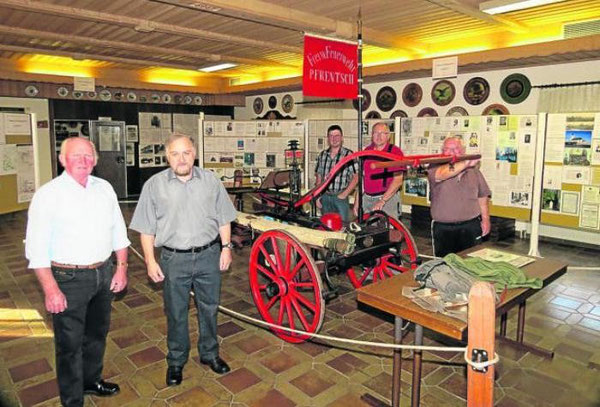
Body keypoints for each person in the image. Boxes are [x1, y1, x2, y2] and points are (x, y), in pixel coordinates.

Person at [25, 137, 130, 407]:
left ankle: (91, 381)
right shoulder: (48, 195)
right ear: (62, 160)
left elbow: (118, 231)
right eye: (75, 156)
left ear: (95, 160)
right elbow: (36, 249)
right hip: (67, 279)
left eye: (88, 156)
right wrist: (50, 289)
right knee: (69, 344)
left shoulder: (104, 188)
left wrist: (121, 269)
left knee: (96, 335)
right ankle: (72, 400)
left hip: (103, 274)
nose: (83, 161)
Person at [130, 133, 236, 386]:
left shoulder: (210, 181)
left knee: (209, 308)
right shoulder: (154, 185)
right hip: (173, 260)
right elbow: (146, 229)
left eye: (186, 152)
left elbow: (224, 217)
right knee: (176, 312)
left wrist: (226, 247)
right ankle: (176, 361)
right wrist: (150, 261)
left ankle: (210, 354)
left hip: (209, 256)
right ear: (167, 156)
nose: (181, 158)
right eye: (175, 153)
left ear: (195, 154)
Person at [428, 136, 491, 257]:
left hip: (471, 226)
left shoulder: (474, 171)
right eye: (447, 149)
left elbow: (482, 196)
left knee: (472, 263)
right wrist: (466, 163)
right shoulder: (435, 166)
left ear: (463, 150)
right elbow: (442, 174)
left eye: (456, 148)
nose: (452, 152)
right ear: (442, 151)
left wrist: (486, 220)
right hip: (443, 228)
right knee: (444, 264)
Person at [353, 122, 406, 218]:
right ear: (372, 135)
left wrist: (383, 200)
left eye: (382, 133)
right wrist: (357, 202)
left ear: (388, 136)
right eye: (376, 133)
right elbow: (362, 179)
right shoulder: (366, 152)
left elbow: (398, 180)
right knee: (367, 229)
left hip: (387, 200)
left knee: (388, 230)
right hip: (367, 199)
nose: (379, 136)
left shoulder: (395, 152)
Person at [314, 125, 358, 222]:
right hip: (325, 197)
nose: (334, 139)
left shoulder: (349, 155)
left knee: (342, 226)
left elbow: (356, 177)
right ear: (328, 138)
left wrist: (345, 194)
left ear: (342, 138)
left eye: (337, 136)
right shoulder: (322, 155)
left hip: (340, 197)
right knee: (326, 225)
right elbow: (319, 177)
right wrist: (317, 196)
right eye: (331, 136)